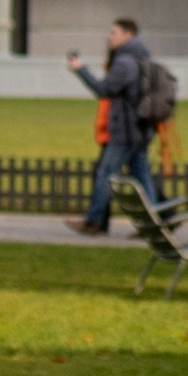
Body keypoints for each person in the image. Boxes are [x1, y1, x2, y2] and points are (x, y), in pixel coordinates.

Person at [67, 19, 163, 231]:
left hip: (125, 130)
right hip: (141, 127)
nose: (109, 37)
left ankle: (93, 220)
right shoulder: (143, 57)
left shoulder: (125, 61)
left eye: (113, 33)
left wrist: (80, 69)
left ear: (127, 35)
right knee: (141, 176)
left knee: (106, 174)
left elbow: (105, 89)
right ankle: (153, 224)